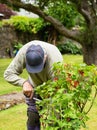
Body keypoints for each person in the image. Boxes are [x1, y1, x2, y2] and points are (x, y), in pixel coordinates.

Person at [4, 40, 63, 130]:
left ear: (45, 57)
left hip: (53, 88)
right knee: (33, 117)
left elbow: (58, 91)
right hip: (33, 85)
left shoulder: (55, 61)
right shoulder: (24, 53)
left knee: (54, 121)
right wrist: (24, 83)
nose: (36, 71)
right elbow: (8, 74)